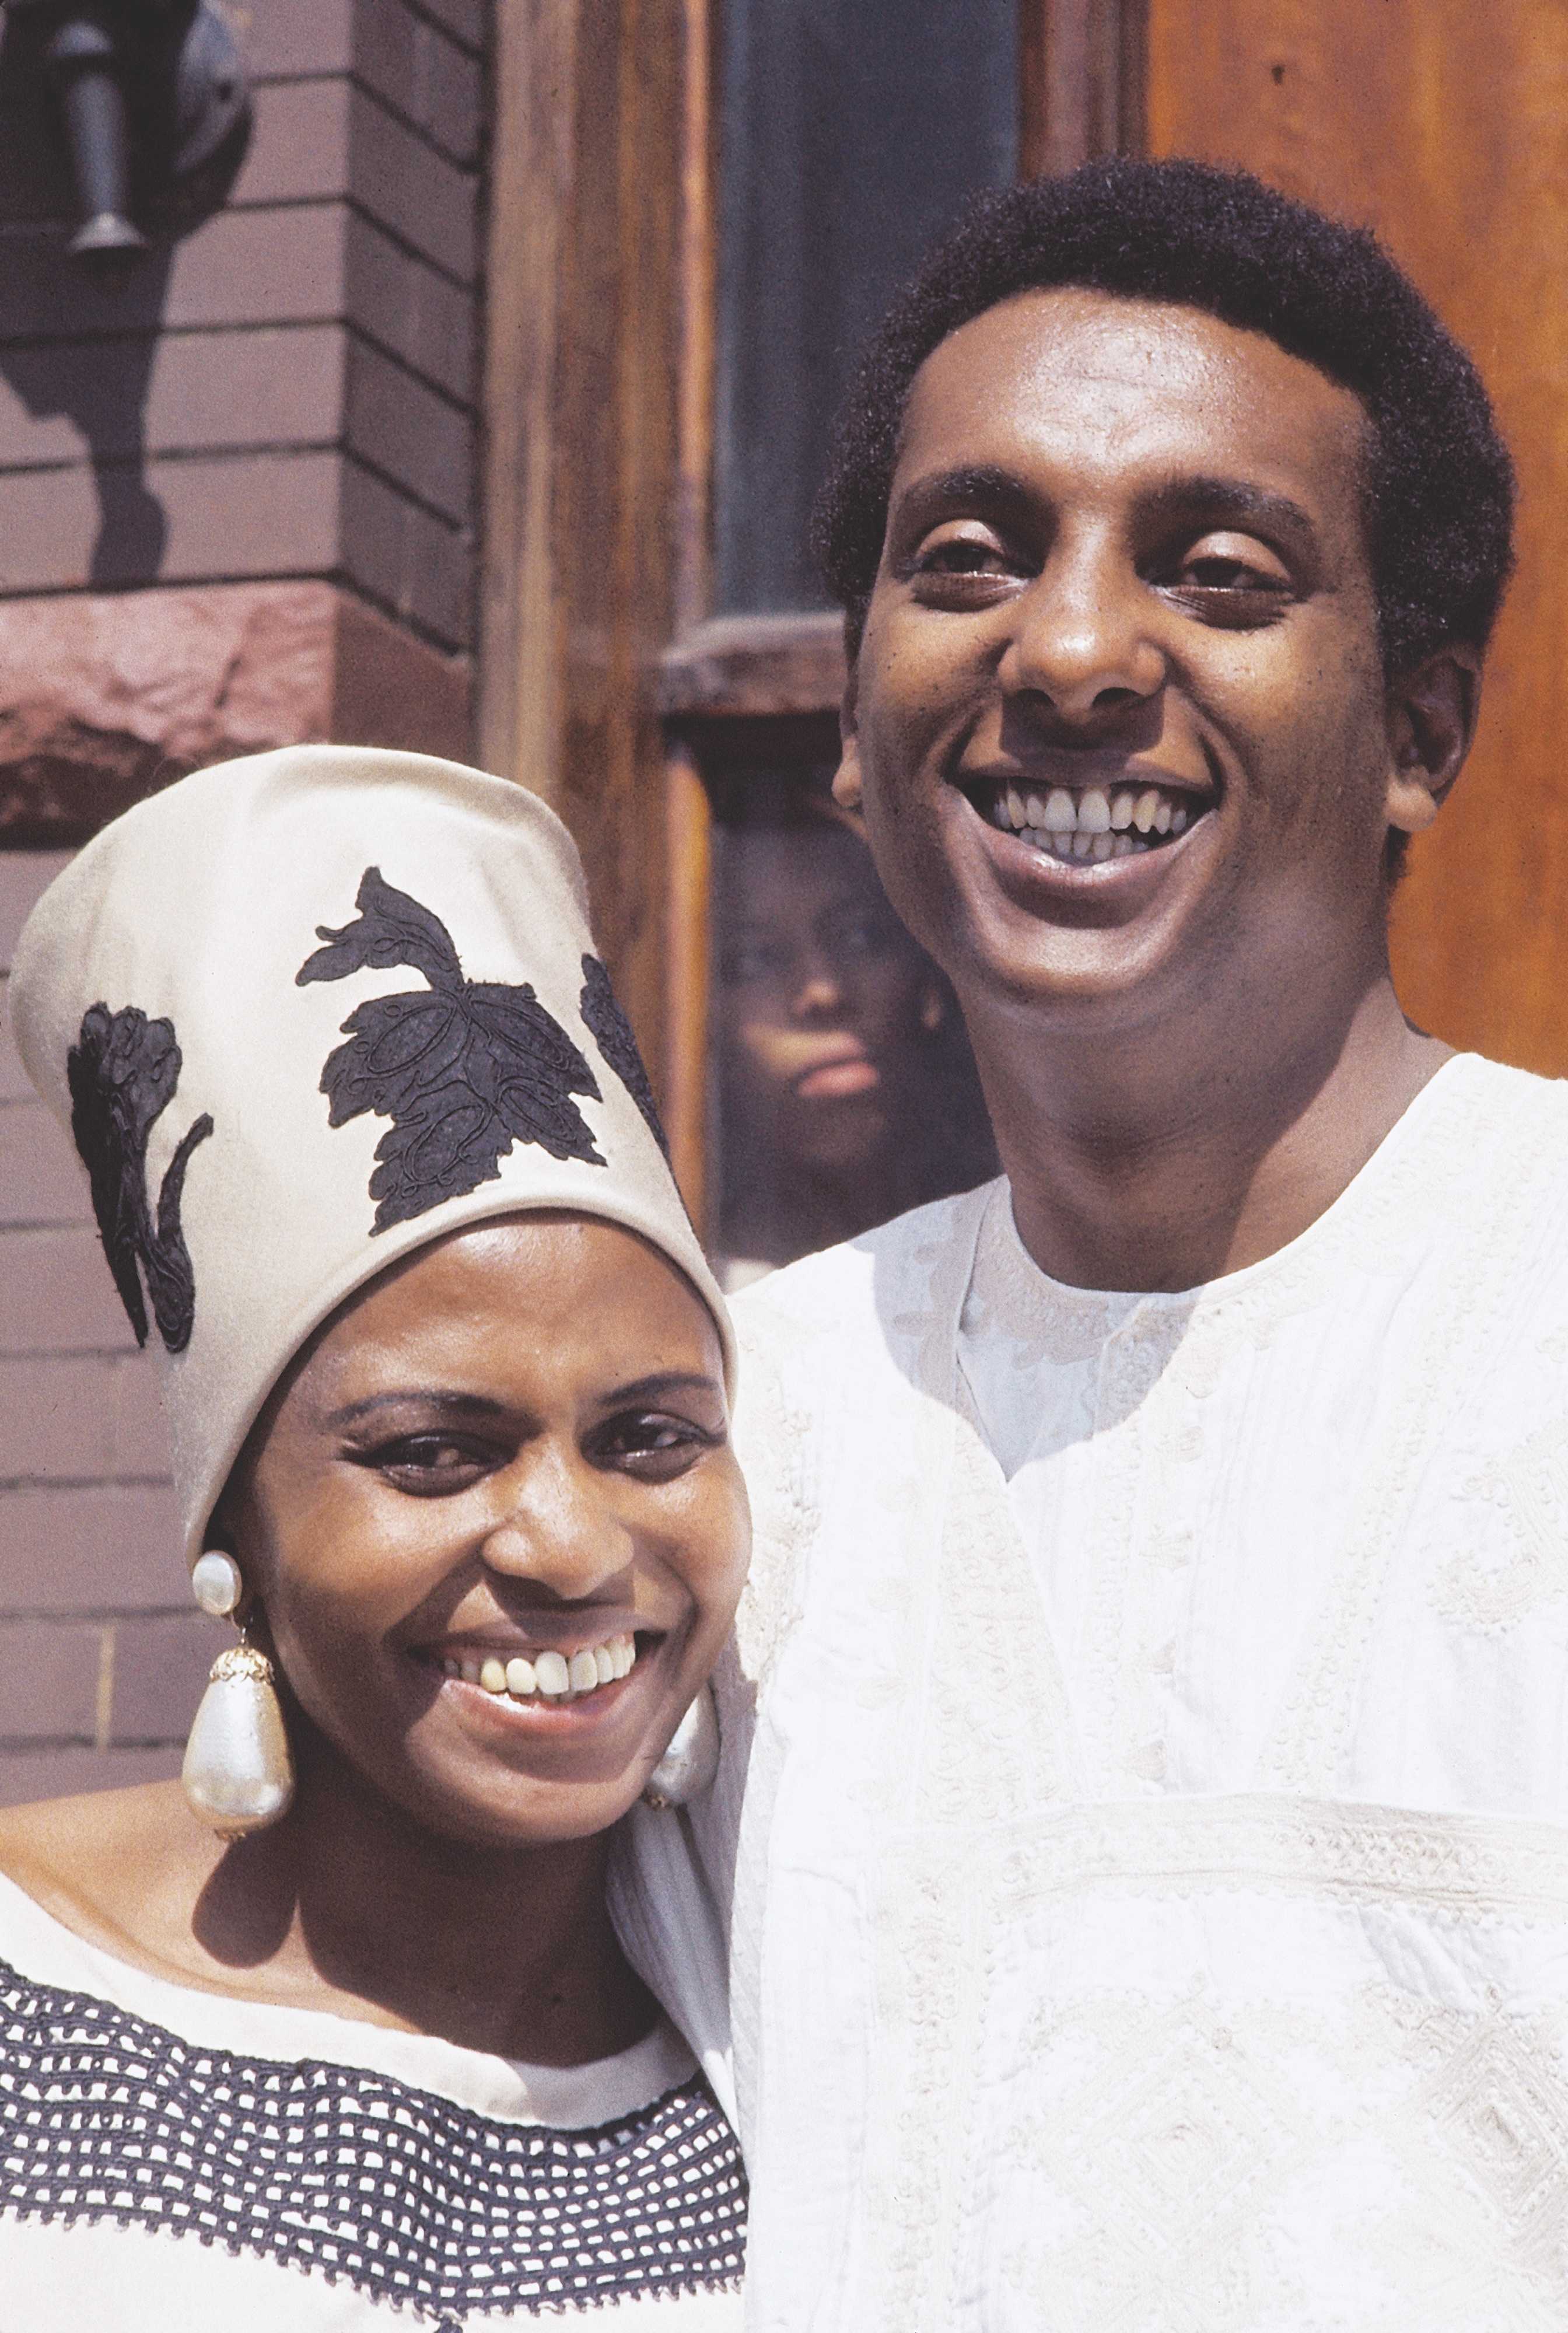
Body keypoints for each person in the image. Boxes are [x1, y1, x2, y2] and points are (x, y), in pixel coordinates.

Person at [626, 159, 1568, 2325]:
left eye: (1217, 571)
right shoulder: (727, 1446)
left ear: (1416, 729)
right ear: (856, 734)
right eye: (965, 560)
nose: (1063, 649)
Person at [0, 745, 750, 2325]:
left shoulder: (786, 2070)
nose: (570, 1540)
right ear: (239, 1532)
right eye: (432, 1452)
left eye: (651, 1435)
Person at [710, 780, 994, 1281]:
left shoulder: (1008, 1242)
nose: (822, 993)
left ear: (926, 974)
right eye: (756, 960)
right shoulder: (692, 1299)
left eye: (860, 936)